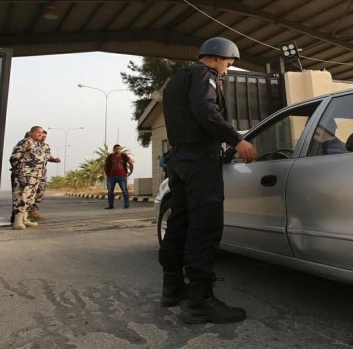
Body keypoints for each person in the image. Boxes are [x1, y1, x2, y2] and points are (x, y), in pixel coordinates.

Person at [158, 37, 257, 324]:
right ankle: (200, 301)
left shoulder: (178, 78)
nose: (226, 70)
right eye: (227, 63)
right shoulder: (205, 75)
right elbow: (205, 109)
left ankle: (173, 288)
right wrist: (236, 140)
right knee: (205, 225)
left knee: (180, 222)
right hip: (200, 159)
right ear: (216, 57)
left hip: (179, 159)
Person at [8, 126, 55, 229]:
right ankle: (17, 221)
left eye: (42, 133)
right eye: (39, 133)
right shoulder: (25, 142)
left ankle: (25, 219)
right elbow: (14, 157)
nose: (41, 135)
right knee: (22, 197)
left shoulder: (39, 145)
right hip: (25, 175)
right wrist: (20, 170)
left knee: (30, 198)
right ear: (31, 133)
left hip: (36, 176)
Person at [28, 129, 61, 221]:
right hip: (30, 173)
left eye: (45, 136)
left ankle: (33, 211)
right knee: (28, 193)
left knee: (40, 192)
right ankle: (23, 213)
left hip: (42, 173)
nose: (43, 137)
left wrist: (54, 159)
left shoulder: (46, 146)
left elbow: (48, 157)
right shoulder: (31, 144)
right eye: (41, 135)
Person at [104, 144, 134, 209]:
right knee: (110, 191)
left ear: (121, 149)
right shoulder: (110, 157)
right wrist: (107, 174)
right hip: (111, 176)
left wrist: (131, 172)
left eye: (119, 148)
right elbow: (105, 165)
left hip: (122, 176)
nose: (118, 150)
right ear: (113, 149)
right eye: (116, 148)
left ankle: (126, 205)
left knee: (124, 191)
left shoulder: (124, 156)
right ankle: (111, 205)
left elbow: (131, 163)